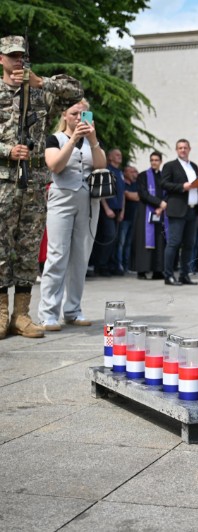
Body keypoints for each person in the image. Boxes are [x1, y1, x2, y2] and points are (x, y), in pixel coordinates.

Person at [0, 35, 83, 340]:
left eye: (22, 56)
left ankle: (22, 315)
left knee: (28, 247)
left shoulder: (39, 92)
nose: (17, 61)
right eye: (12, 56)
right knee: (0, 246)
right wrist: (6, 151)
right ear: (1, 59)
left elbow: (77, 91)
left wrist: (41, 81)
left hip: (34, 182)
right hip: (3, 180)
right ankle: (1, 313)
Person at [38, 99, 105, 330]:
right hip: (62, 198)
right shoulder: (54, 139)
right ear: (65, 115)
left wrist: (93, 139)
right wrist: (74, 138)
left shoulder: (90, 140)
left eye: (84, 113)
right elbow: (55, 165)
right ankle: (48, 313)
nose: (79, 117)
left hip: (87, 200)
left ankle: (73, 310)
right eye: (75, 113)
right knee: (57, 255)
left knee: (80, 257)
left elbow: (101, 165)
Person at [160, 139, 198, 286]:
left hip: (192, 209)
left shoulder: (194, 167)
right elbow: (163, 184)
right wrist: (182, 186)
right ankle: (168, 275)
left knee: (189, 244)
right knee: (174, 243)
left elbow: (194, 185)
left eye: (185, 147)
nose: (183, 150)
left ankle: (185, 275)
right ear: (176, 150)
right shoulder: (170, 166)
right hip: (177, 209)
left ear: (189, 149)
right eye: (180, 148)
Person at [92, 147, 125, 276]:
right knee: (108, 236)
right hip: (108, 210)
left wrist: (122, 211)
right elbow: (102, 193)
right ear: (110, 157)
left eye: (120, 154)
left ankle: (111, 264)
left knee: (115, 239)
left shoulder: (120, 172)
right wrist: (106, 208)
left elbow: (122, 194)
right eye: (116, 154)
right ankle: (101, 265)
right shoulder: (107, 171)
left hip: (118, 210)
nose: (119, 156)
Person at [134, 151, 166, 280]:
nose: (154, 162)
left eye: (156, 160)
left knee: (159, 241)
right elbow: (143, 193)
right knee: (144, 241)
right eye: (152, 160)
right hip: (145, 212)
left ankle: (157, 271)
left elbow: (168, 192)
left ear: (160, 161)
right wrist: (159, 203)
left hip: (161, 213)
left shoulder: (164, 176)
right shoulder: (143, 176)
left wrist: (161, 207)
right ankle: (142, 270)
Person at [118, 165, 139, 273]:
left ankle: (126, 266)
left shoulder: (136, 184)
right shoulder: (123, 184)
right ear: (125, 173)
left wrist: (132, 195)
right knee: (121, 243)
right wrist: (132, 195)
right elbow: (129, 196)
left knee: (128, 243)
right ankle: (119, 265)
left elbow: (139, 196)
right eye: (131, 171)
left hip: (134, 218)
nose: (134, 174)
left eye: (135, 172)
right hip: (125, 218)